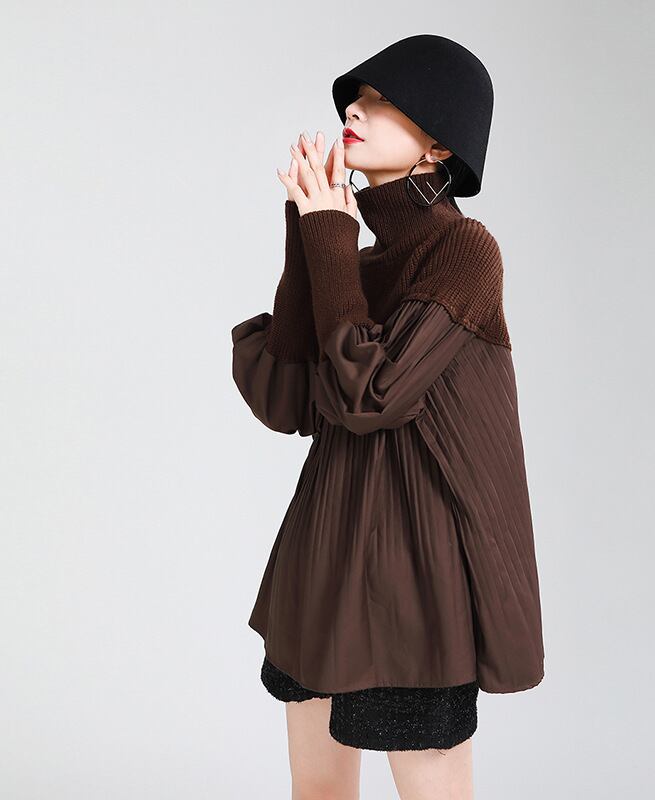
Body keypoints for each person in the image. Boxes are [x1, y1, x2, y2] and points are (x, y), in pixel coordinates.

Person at [231, 35, 545, 800]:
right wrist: (311, 232)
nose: (354, 111)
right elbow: (285, 398)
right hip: (323, 559)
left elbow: (369, 396)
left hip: (416, 580)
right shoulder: (355, 258)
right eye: (355, 98)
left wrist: (330, 240)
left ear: (439, 145)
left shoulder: (465, 253)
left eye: (381, 101)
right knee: (317, 793)